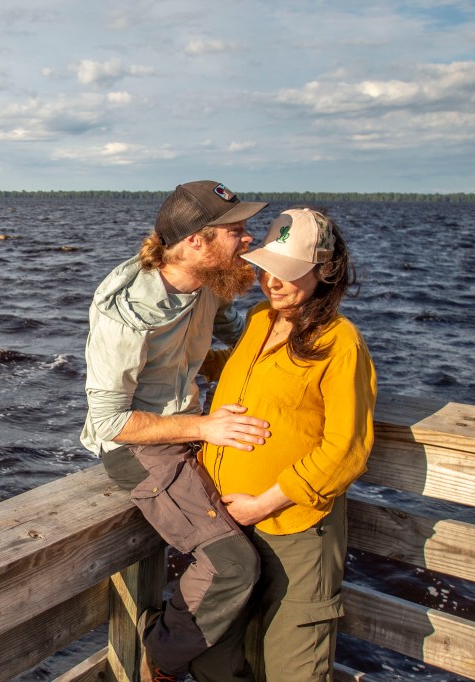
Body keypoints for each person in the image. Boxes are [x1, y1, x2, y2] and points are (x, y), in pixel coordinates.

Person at [80, 180, 272, 680]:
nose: (248, 240)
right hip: (137, 448)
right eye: (236, 231)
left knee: (258, 543)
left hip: (186, 430)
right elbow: (111, 422)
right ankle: (159, 661)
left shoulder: (205, 284)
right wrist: (207, 426)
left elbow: (230, 339)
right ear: (196, 242)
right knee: (233, 566)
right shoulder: (126, 315)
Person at [190, 208, 377, 682]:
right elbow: (234, 373)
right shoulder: (259, 318)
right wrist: (173, 360)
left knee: (293, 665)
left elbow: (346, 449)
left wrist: (263, 503)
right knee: (214, 655)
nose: (273, 281)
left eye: (288, 271)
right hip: (230, 521)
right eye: (269, 266)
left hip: (296, 531)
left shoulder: (341, 343)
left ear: (325, 271)